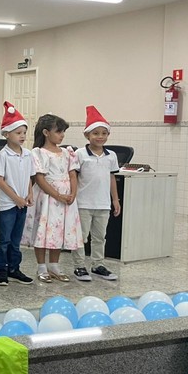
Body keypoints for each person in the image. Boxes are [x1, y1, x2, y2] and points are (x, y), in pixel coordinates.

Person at [21, 113, 82, 283]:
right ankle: (41, 266)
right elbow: (40, 178)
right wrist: (57, 195)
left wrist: (73, 193)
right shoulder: (38, 153)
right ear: (46, 132)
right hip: (48, 197)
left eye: (63, 132)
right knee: (43, 230)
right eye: (58, 131)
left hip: (66, 197)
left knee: (59, 230)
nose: (62, 135)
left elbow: (72, 174)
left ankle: (54, 265)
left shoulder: (68, 152)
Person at [72, 106, 120, 281]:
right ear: (87, 135)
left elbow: (112, 178)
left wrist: (115, 200)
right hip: (83, 203)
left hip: (103, 204)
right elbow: (74, 177)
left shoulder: (111, 156)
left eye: (104, 133)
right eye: (96, 133)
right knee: (81, 237)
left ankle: (98, 264)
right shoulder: (80, 154)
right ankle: (79, 266)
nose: (100, 137)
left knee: (100, 237)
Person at [0, 102, 35, 286]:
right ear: (7, 134)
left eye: (24, 132)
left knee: (16, 240)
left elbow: (29, 178)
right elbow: (0, 180)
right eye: (18, 133)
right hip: (7, 205)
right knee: (4, 240)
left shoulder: (28, 154)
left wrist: (29, 194)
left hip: (22, 204)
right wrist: (16, 198)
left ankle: (14, 268)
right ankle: (1, 270)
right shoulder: (3, 155)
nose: (22, 136)